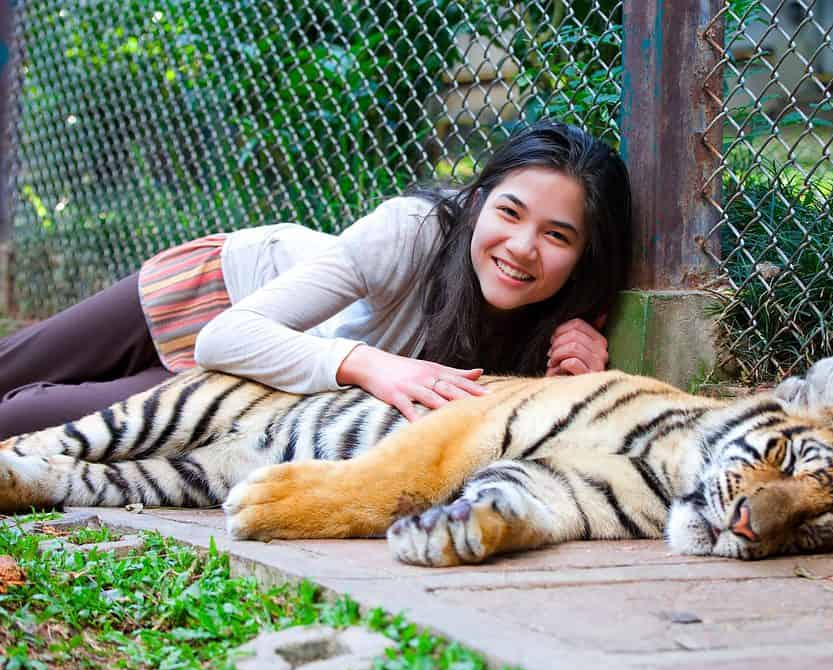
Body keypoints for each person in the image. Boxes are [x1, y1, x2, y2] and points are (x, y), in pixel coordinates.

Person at [0, 120, 633, 438]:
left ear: (584, 257)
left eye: (557, 235)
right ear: (476, 204)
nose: (521, 247)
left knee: (25, 418)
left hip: (244, 390)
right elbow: (228, 335)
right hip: (224, 291)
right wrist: (372, 365)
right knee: (11, 370)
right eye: (510, 212)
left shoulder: (557, 329)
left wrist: (570, 384)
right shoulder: (412, 230)